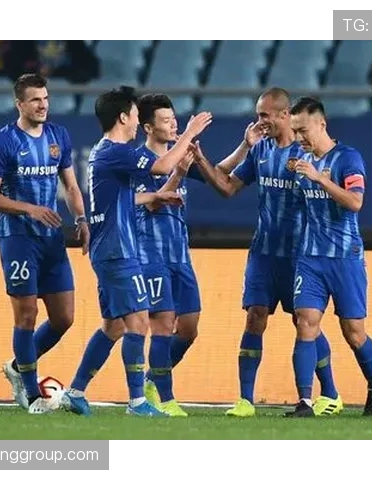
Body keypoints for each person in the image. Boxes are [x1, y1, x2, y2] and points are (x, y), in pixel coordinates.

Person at [60, 86, 213, 416]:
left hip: (110, 247)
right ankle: (138, 402)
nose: (135, 120)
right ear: (123, 117)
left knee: (114, 326)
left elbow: (122, 197)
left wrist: (154, 197)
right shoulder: (118, 151)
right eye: (133, 114)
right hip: (118, 249)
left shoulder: (105, 152)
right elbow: (162, 167)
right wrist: (190, 133)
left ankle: (76, 391)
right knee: (139, 322)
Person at [191, 88, 343, 417]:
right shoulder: (260, 150)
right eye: (258, 114)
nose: (259, 121)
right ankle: (246, 400)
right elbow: (227, 187)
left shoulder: (309, 154)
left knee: (305, 323)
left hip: (300, 255)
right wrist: (201, 160)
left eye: (264, 115)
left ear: (284, 115)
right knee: (255, 317)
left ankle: (330, 393)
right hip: (263, 253)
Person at [0, 73, 89, 415]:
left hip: (51, 239)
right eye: (35, 100)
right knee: (27, 314)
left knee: (64, 318)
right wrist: (30, 208)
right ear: (20, 104)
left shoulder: (58, 136)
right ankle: (31, 394)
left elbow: (71, 186)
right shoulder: (3, 141)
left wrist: (82, 219)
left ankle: (18, 365)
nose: (43, 105)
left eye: (46, 98)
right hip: (18, 238)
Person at [287, 96, 372, 417]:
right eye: (294, 131)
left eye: (303, 130)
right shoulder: (301, 162)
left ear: (322, 124)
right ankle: (305, 401)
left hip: (345, 257)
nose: (299, 138)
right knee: (305, 322)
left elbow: (355, 203)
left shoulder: (348, 159)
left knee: (353, 332)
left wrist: (320, 179)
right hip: (310, 257)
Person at [133, 94, 207, 417]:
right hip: (151, 255)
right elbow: (151, 204)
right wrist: (178, 173)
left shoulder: (179, 155)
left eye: (174, 118)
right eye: (165, 120)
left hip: (180, 255)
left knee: (188, 329)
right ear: (148, 127)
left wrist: (246, 146)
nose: (173, 124)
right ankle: (165, 399)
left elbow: (220, 173)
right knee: (162, 324)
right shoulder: (138, 161)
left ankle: (153, 378)